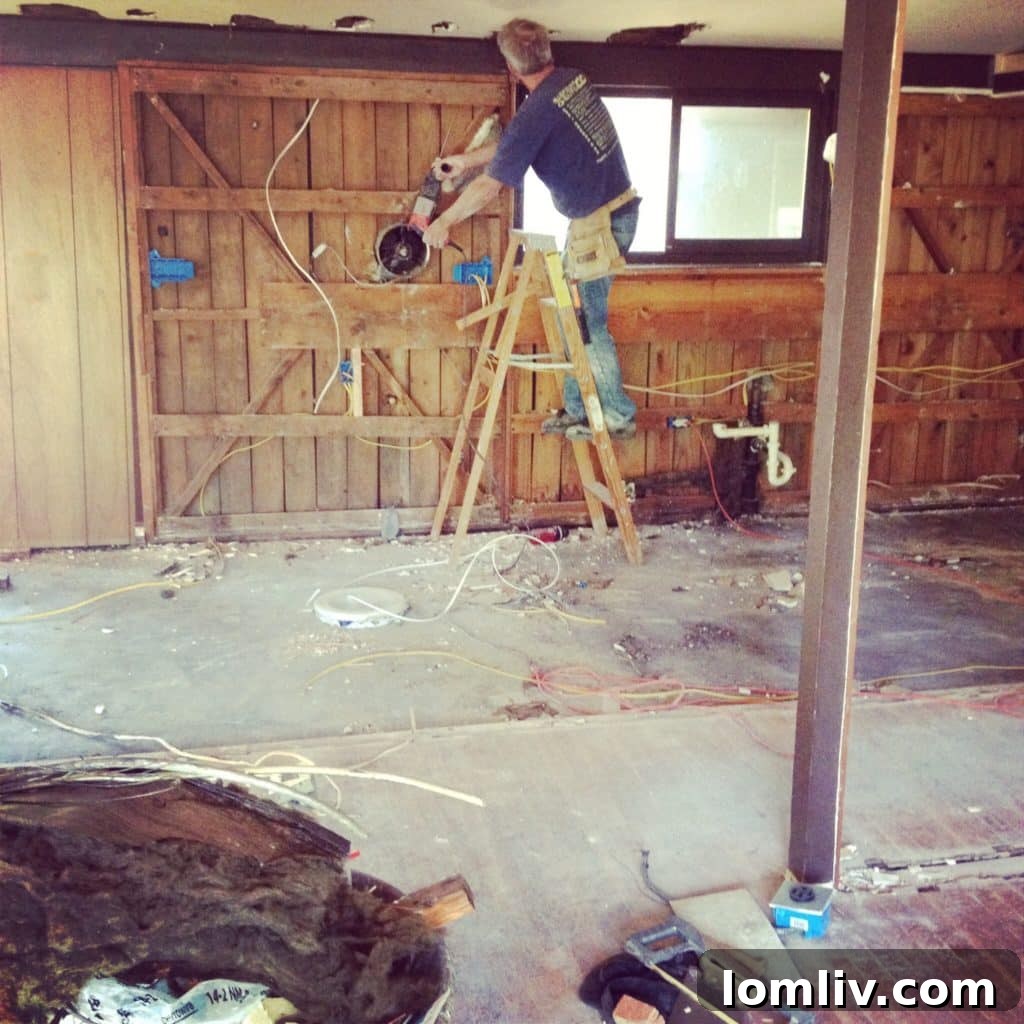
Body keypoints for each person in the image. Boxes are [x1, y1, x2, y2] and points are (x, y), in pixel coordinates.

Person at [422, 17, 641, 441]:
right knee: (572, 319)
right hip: (604, 217)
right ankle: (579, 410)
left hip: (600, 223)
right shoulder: (570, 82)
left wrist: (444, 221)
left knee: (586, 322)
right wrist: (466, 162)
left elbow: (492, 186)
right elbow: (514, 146)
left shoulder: (537, 110)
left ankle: (616, 415)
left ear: (511, 69)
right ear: (548, 52)